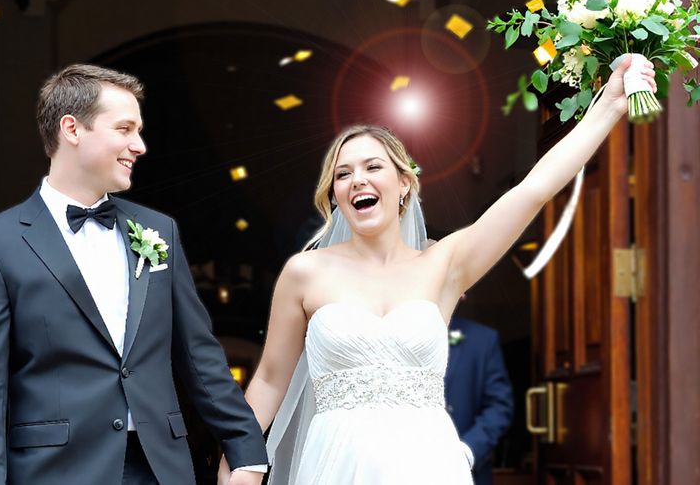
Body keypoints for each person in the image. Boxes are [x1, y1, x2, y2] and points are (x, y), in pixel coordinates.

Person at [218, 55, 655, 483]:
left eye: (373, 167)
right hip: (335, 462)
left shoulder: (445, 263)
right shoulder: (305, 273)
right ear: (334, 194)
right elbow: (271, 382)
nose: (357, 181)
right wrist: (238, 465)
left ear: (404, 183)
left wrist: (611, 105)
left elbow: (534, 190)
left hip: (426, 461)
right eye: (343, 174)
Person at [0, 64, 267, 485]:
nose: (139, 145)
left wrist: (247, 452)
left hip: (160, 468)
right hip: (53, 473)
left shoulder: (159, 233)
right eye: (124, 128)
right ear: (72, 129)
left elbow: (199, 355)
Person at [445, 315, 514, 485]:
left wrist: (468, 450)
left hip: (468, 474)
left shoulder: (482, 339)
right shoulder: (393, 337)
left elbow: (500, 407)